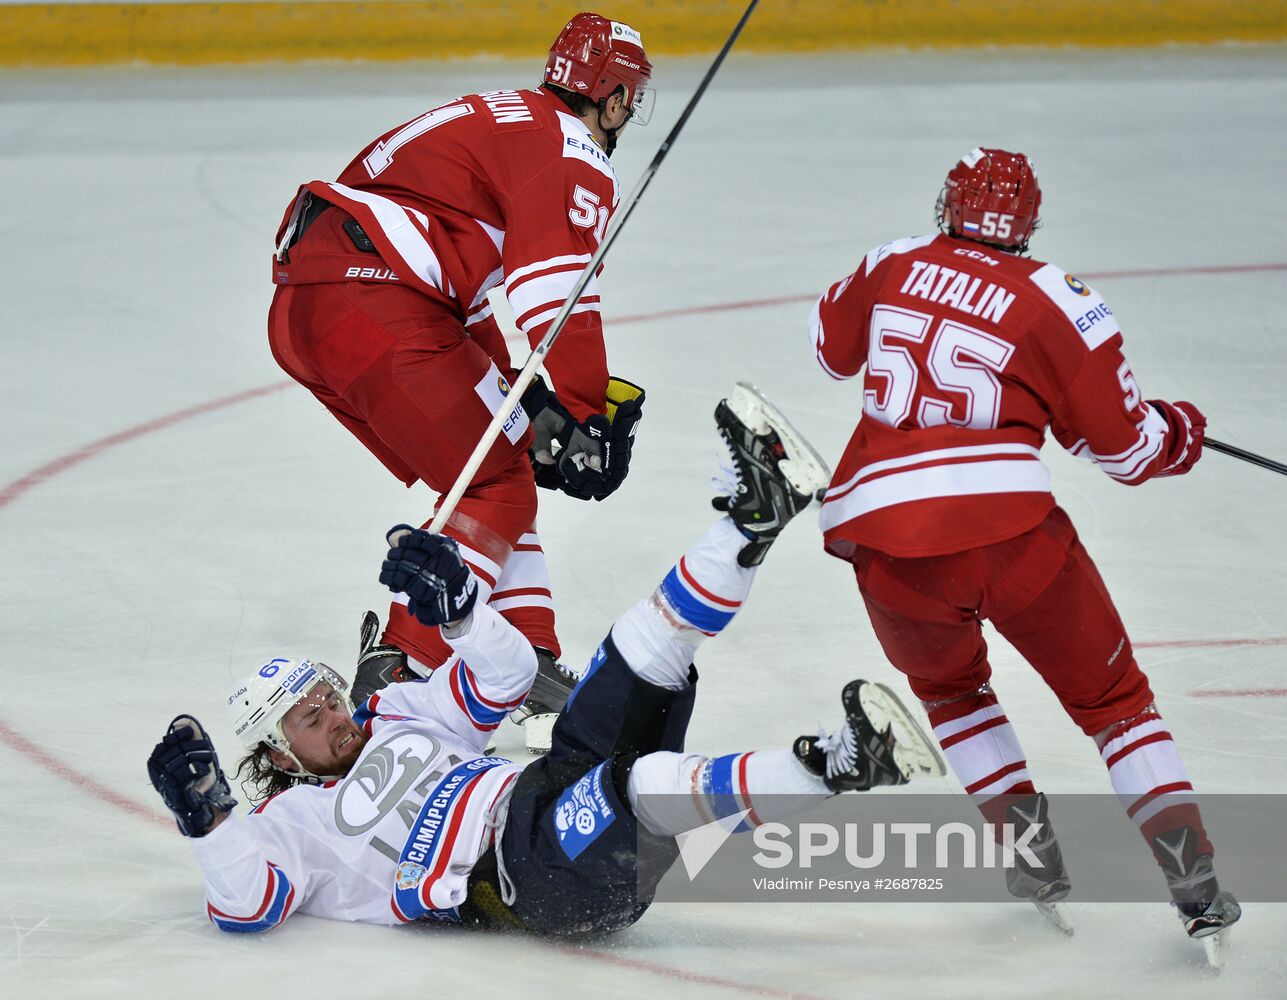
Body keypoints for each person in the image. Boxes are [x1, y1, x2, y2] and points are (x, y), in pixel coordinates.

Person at [146, 386, 943, 935]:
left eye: (325, 691)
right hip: (520, 877)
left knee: (640, 645)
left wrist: (461, 614)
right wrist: (206, 819)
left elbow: (505, 679)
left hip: (546, 788)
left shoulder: (398, 713)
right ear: (279, 750)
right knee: (638, 789)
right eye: (306, 716)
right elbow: (246, 907)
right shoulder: (287, 824)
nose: (331, 710)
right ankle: (840, 764)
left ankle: (748, 521)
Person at [806, 147, 1239, 952]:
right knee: (1116, 708)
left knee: (953, 696)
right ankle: (1191, 875)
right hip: (1010, 538)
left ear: (949, 205)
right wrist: (1175, 431)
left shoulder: (891, 259)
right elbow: (1125, 453)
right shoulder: (1057, 300)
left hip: (884, 545)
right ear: (1027, 223)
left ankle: (1029, 855)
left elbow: (829, 351)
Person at [266, 12, 655, 748]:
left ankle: (526, 654)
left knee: (499, 452)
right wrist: (582, 413)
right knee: (497, 476)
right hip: (368, 300)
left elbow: (457, 288)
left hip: (316, 306)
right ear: (611, 97)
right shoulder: (571, 150)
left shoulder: (501, 116)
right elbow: (555, 290)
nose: (625, 115)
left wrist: (528, 401)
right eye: (626, 99)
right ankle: (402, 659)